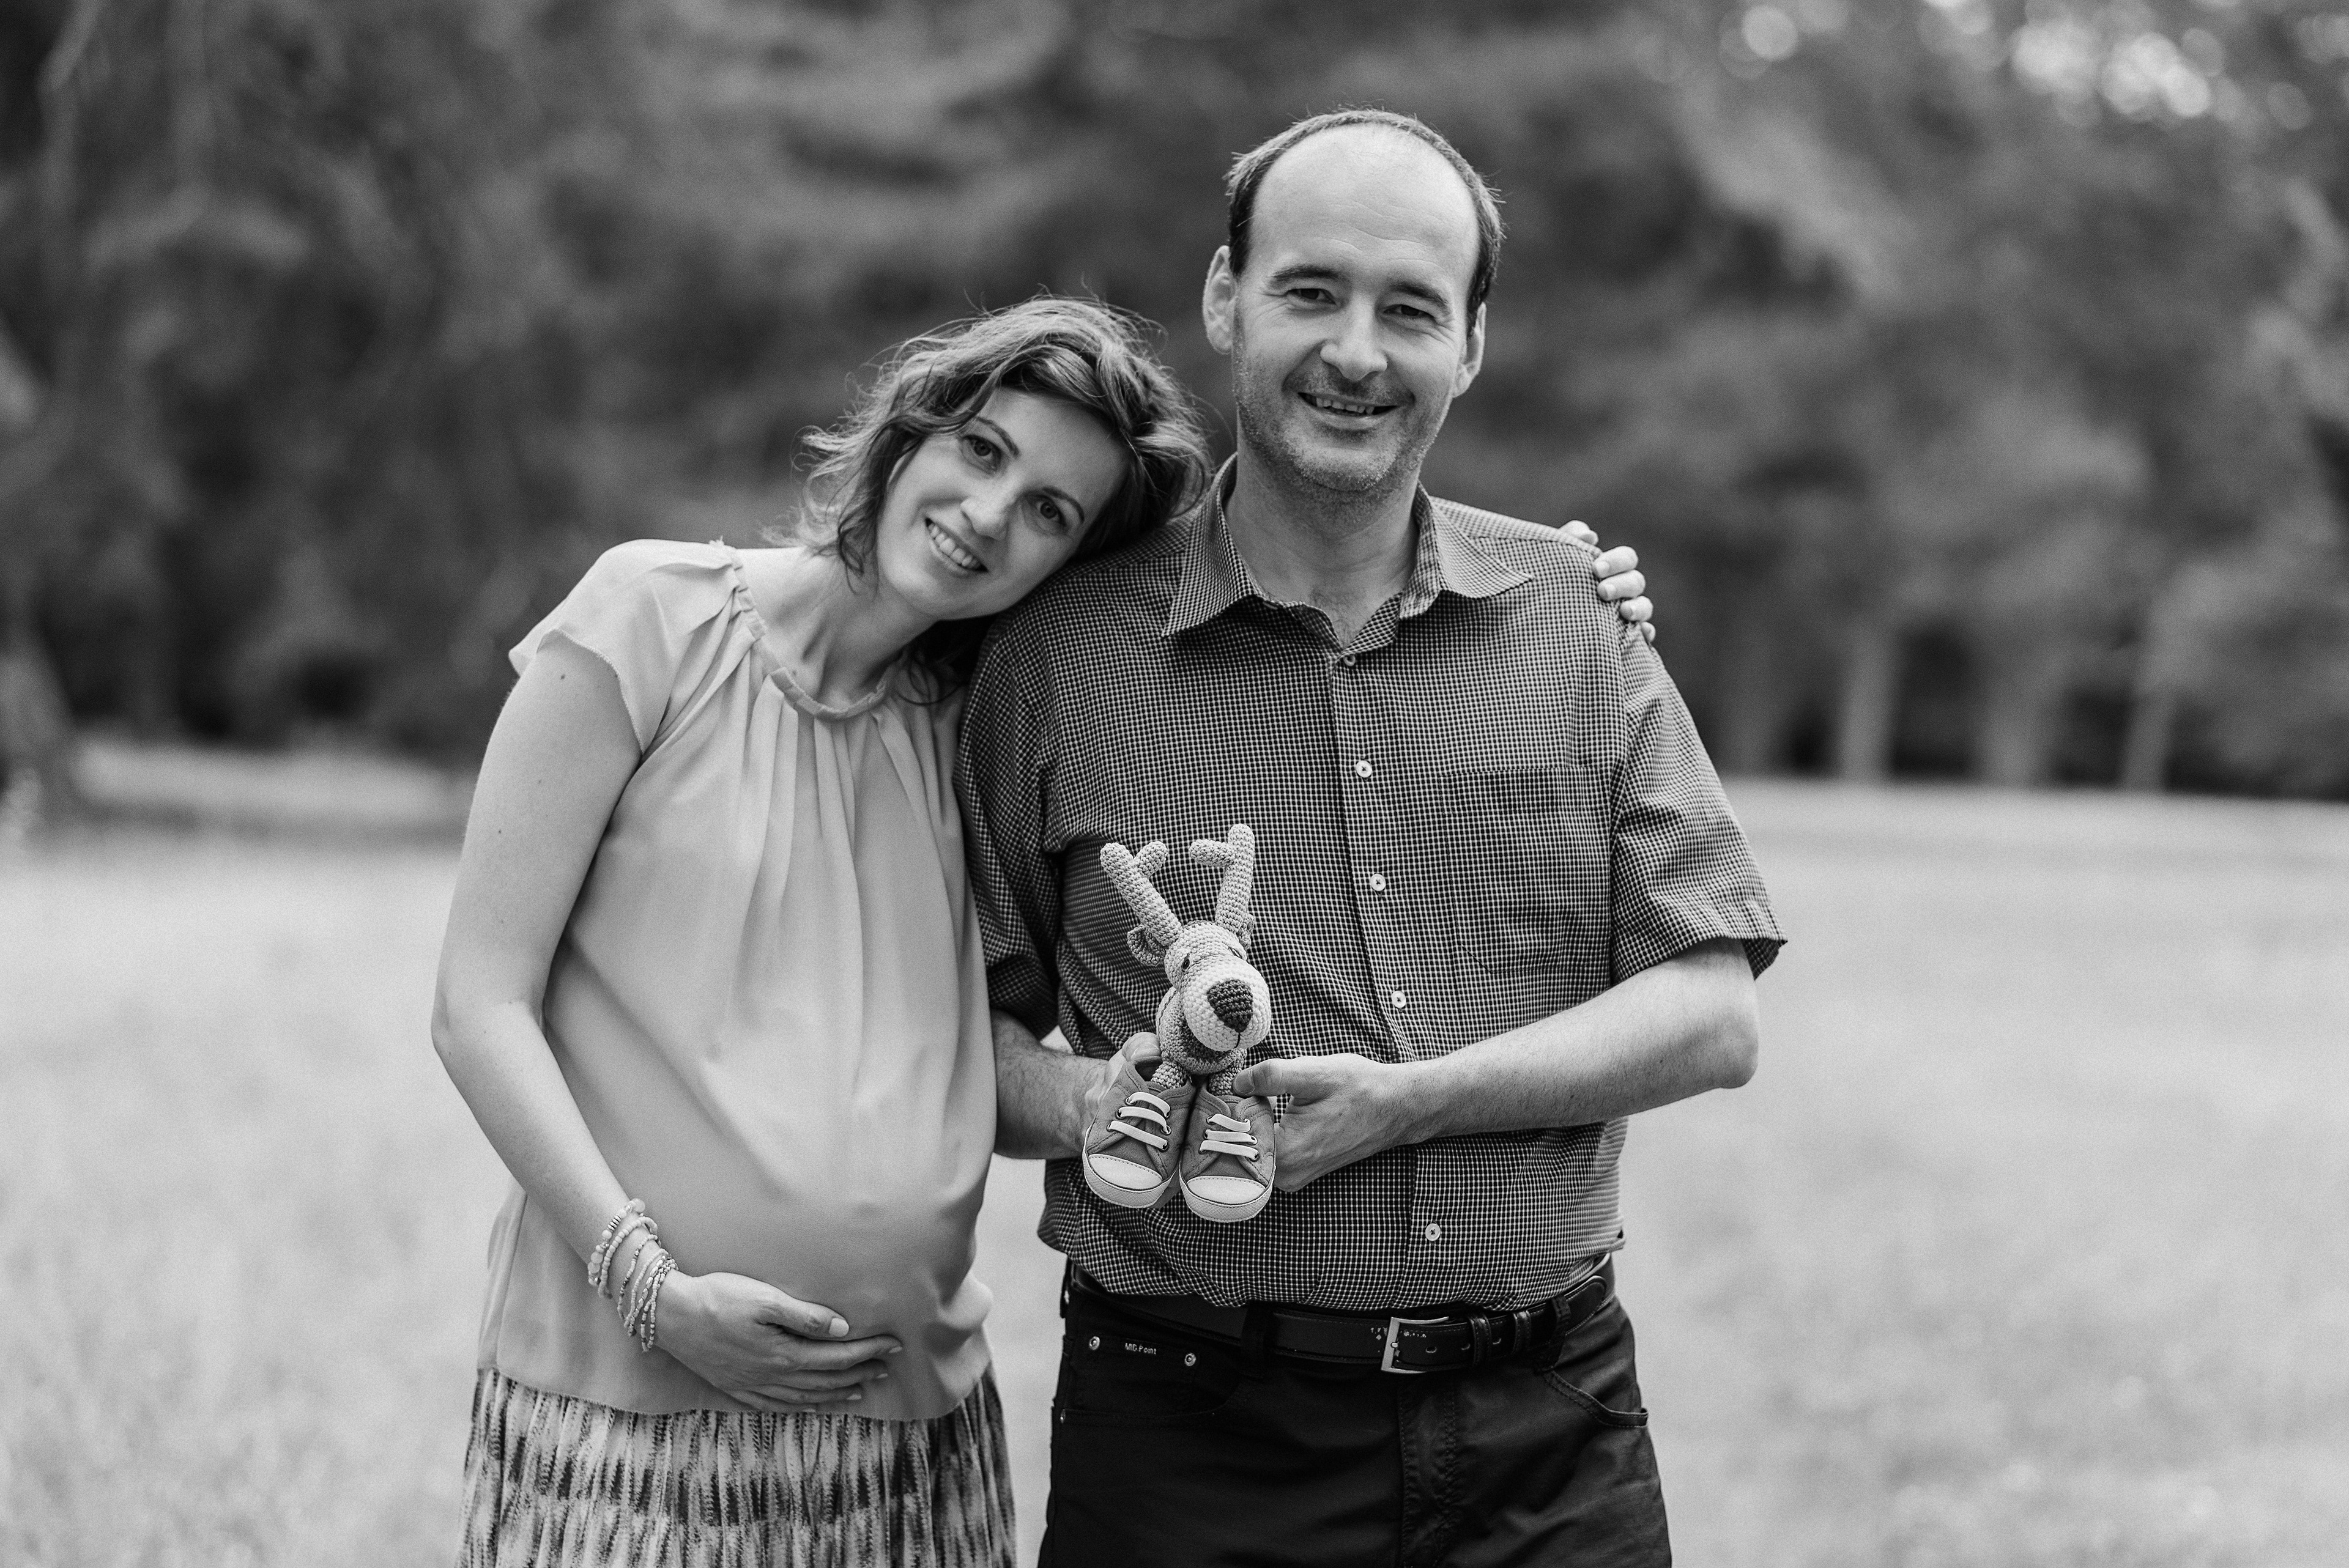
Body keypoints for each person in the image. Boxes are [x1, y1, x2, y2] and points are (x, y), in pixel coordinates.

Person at [431, 294, 1665, 1565]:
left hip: (907, 1432)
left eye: (1050, 514)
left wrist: (1561, 583)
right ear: (910, 428)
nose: (987, 515)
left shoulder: (977, 719)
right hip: (631, 1393)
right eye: (981, 450)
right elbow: (478, 1006)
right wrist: (650, 1291)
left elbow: (987, 1047)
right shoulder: (650, 619)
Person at [959, 111, 1785, 1566]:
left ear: (1472, 343)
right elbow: (965, 1038)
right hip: (1191, 1440)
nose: (1356, 351)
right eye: (1311, 291)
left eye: (1410, 309)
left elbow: (1713, 1013)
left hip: (1553, 1434)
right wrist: (1102, 1104)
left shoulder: (1577, 624)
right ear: (1227, 297)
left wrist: (1409, 1104)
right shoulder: (1055, 657)